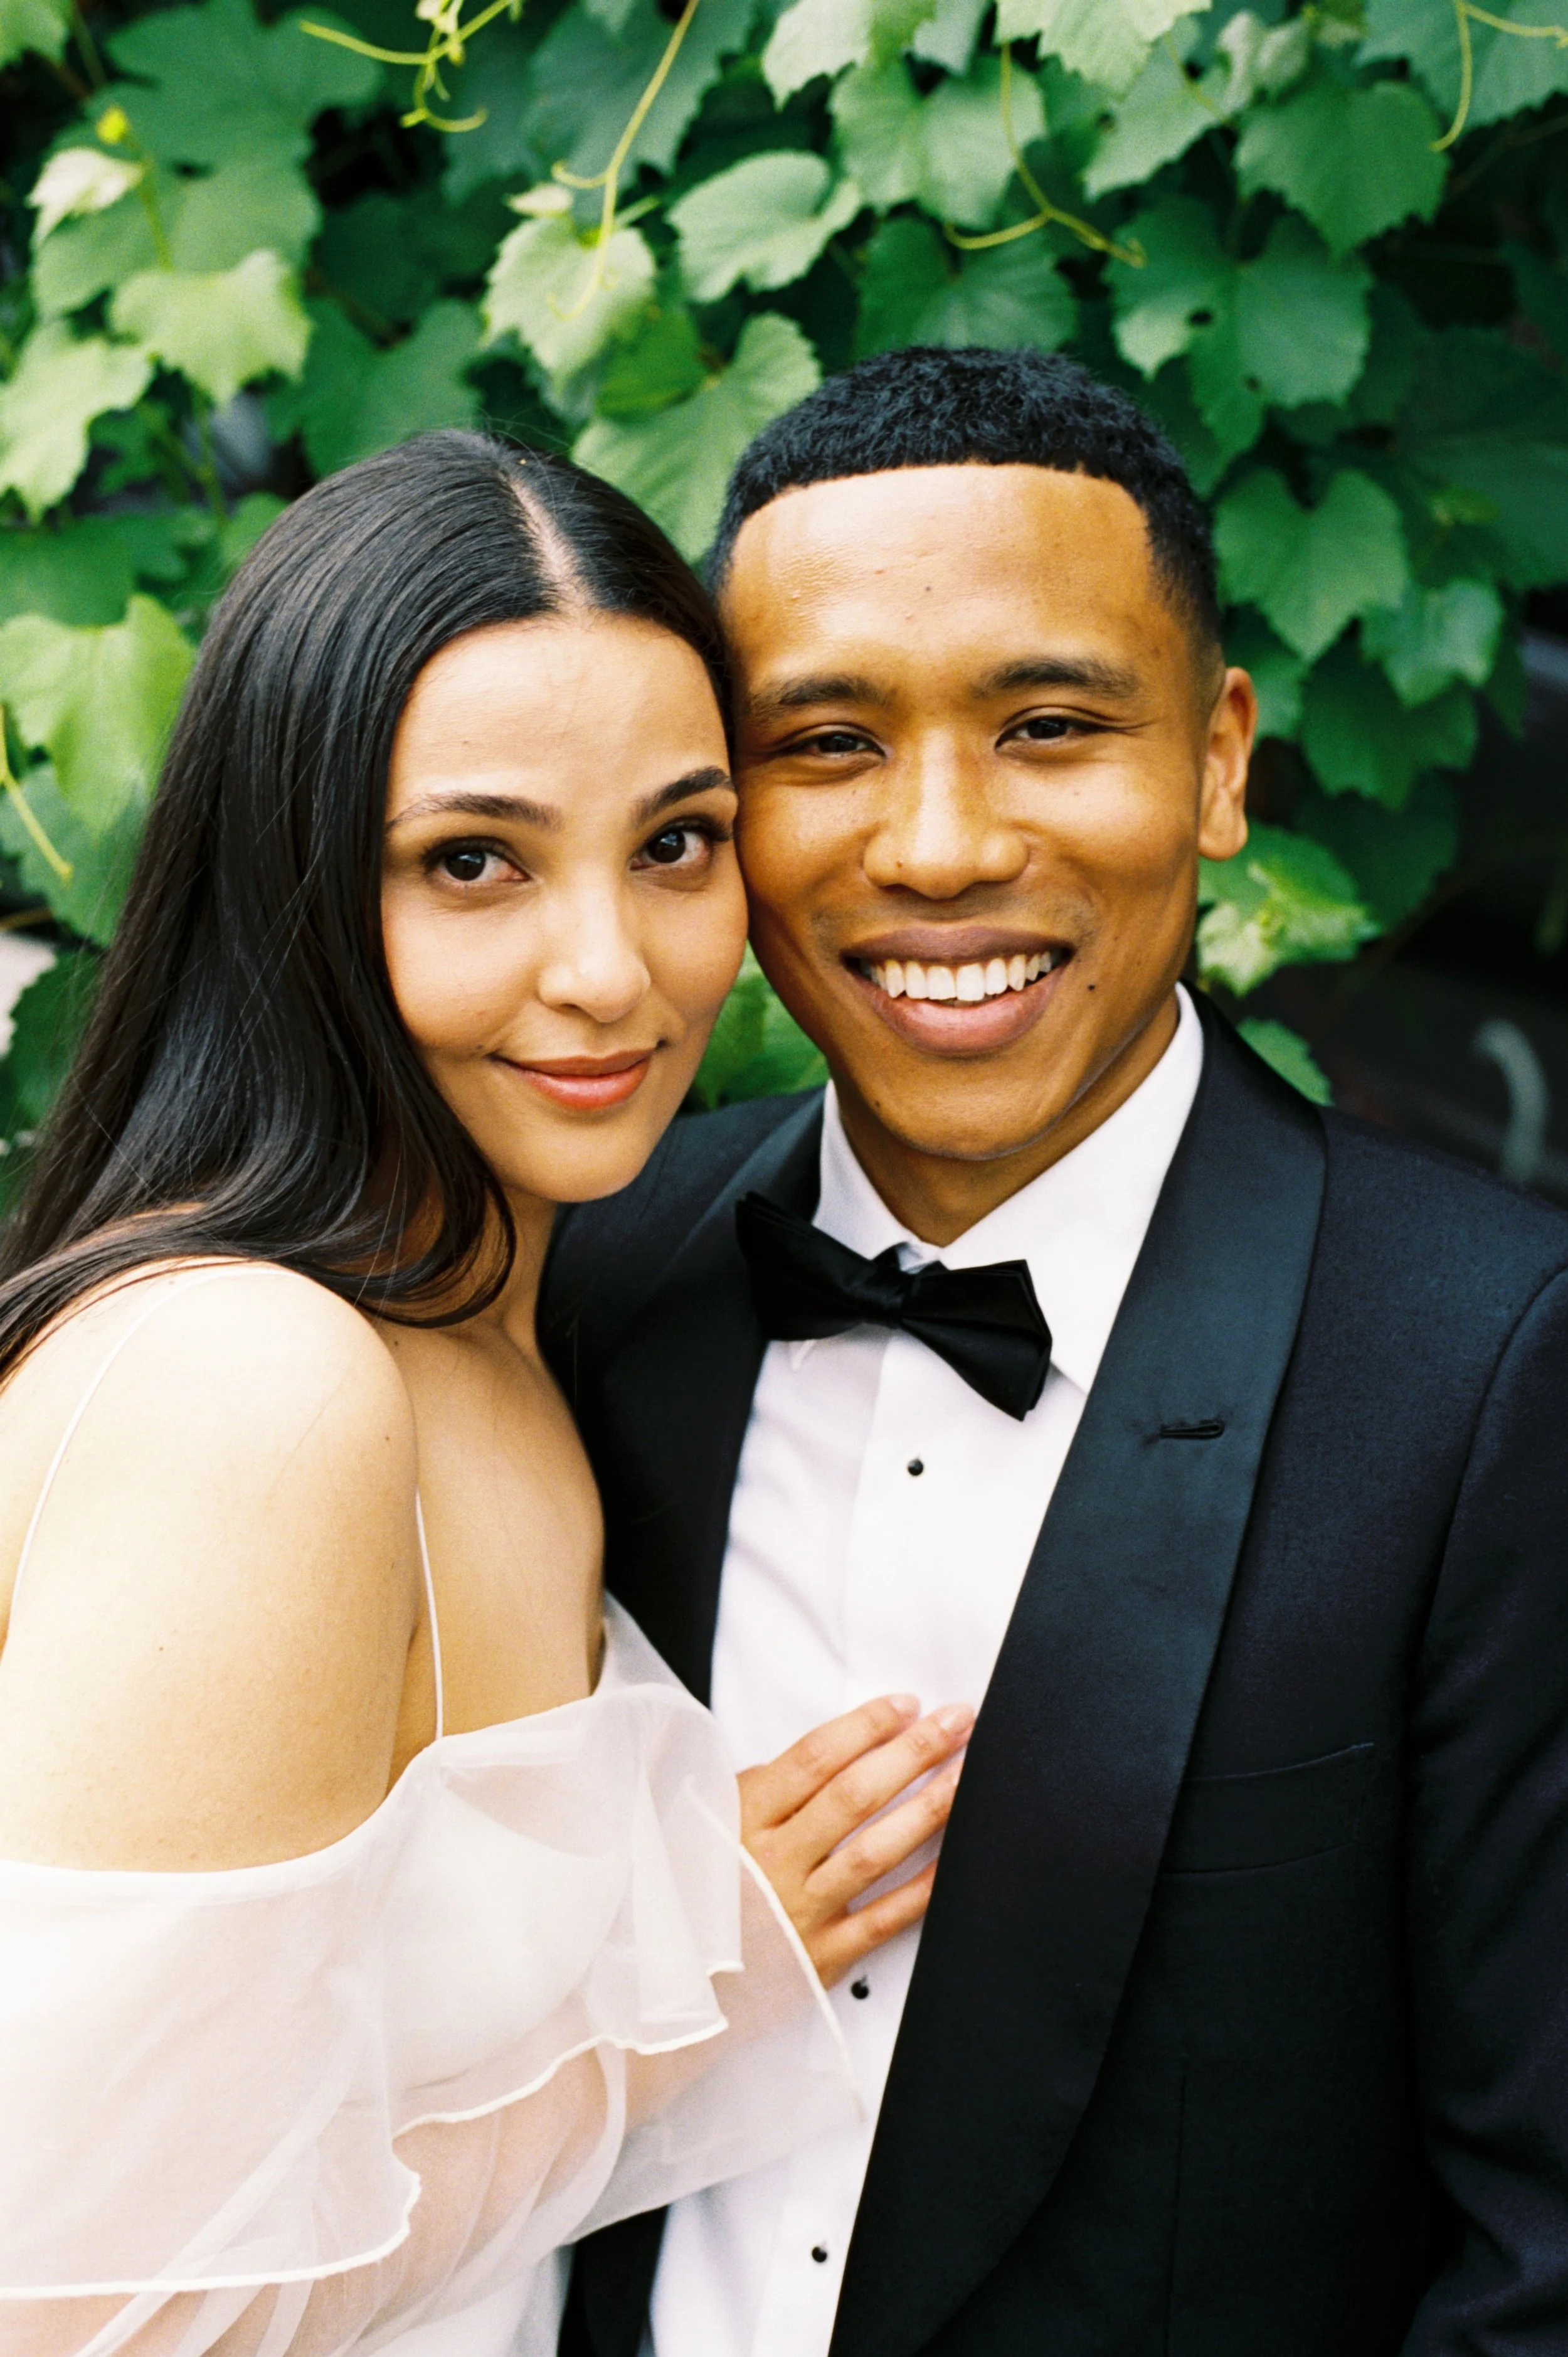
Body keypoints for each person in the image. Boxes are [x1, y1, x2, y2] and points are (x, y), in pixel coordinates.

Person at [543, 346, 1568, 2357]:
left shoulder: (1489, 1367)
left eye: (1046, 725)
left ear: (1214, 760)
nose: (933, 847)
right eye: (824, 740)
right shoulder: (588, 1279)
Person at [0, 432, 975, 2357]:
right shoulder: (254, 1383)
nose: (611, 968)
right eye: (473, 861)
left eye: (676, 844)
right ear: (286, 884)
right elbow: (107, 2315)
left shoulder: (535, 1313)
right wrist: (687, 1999)